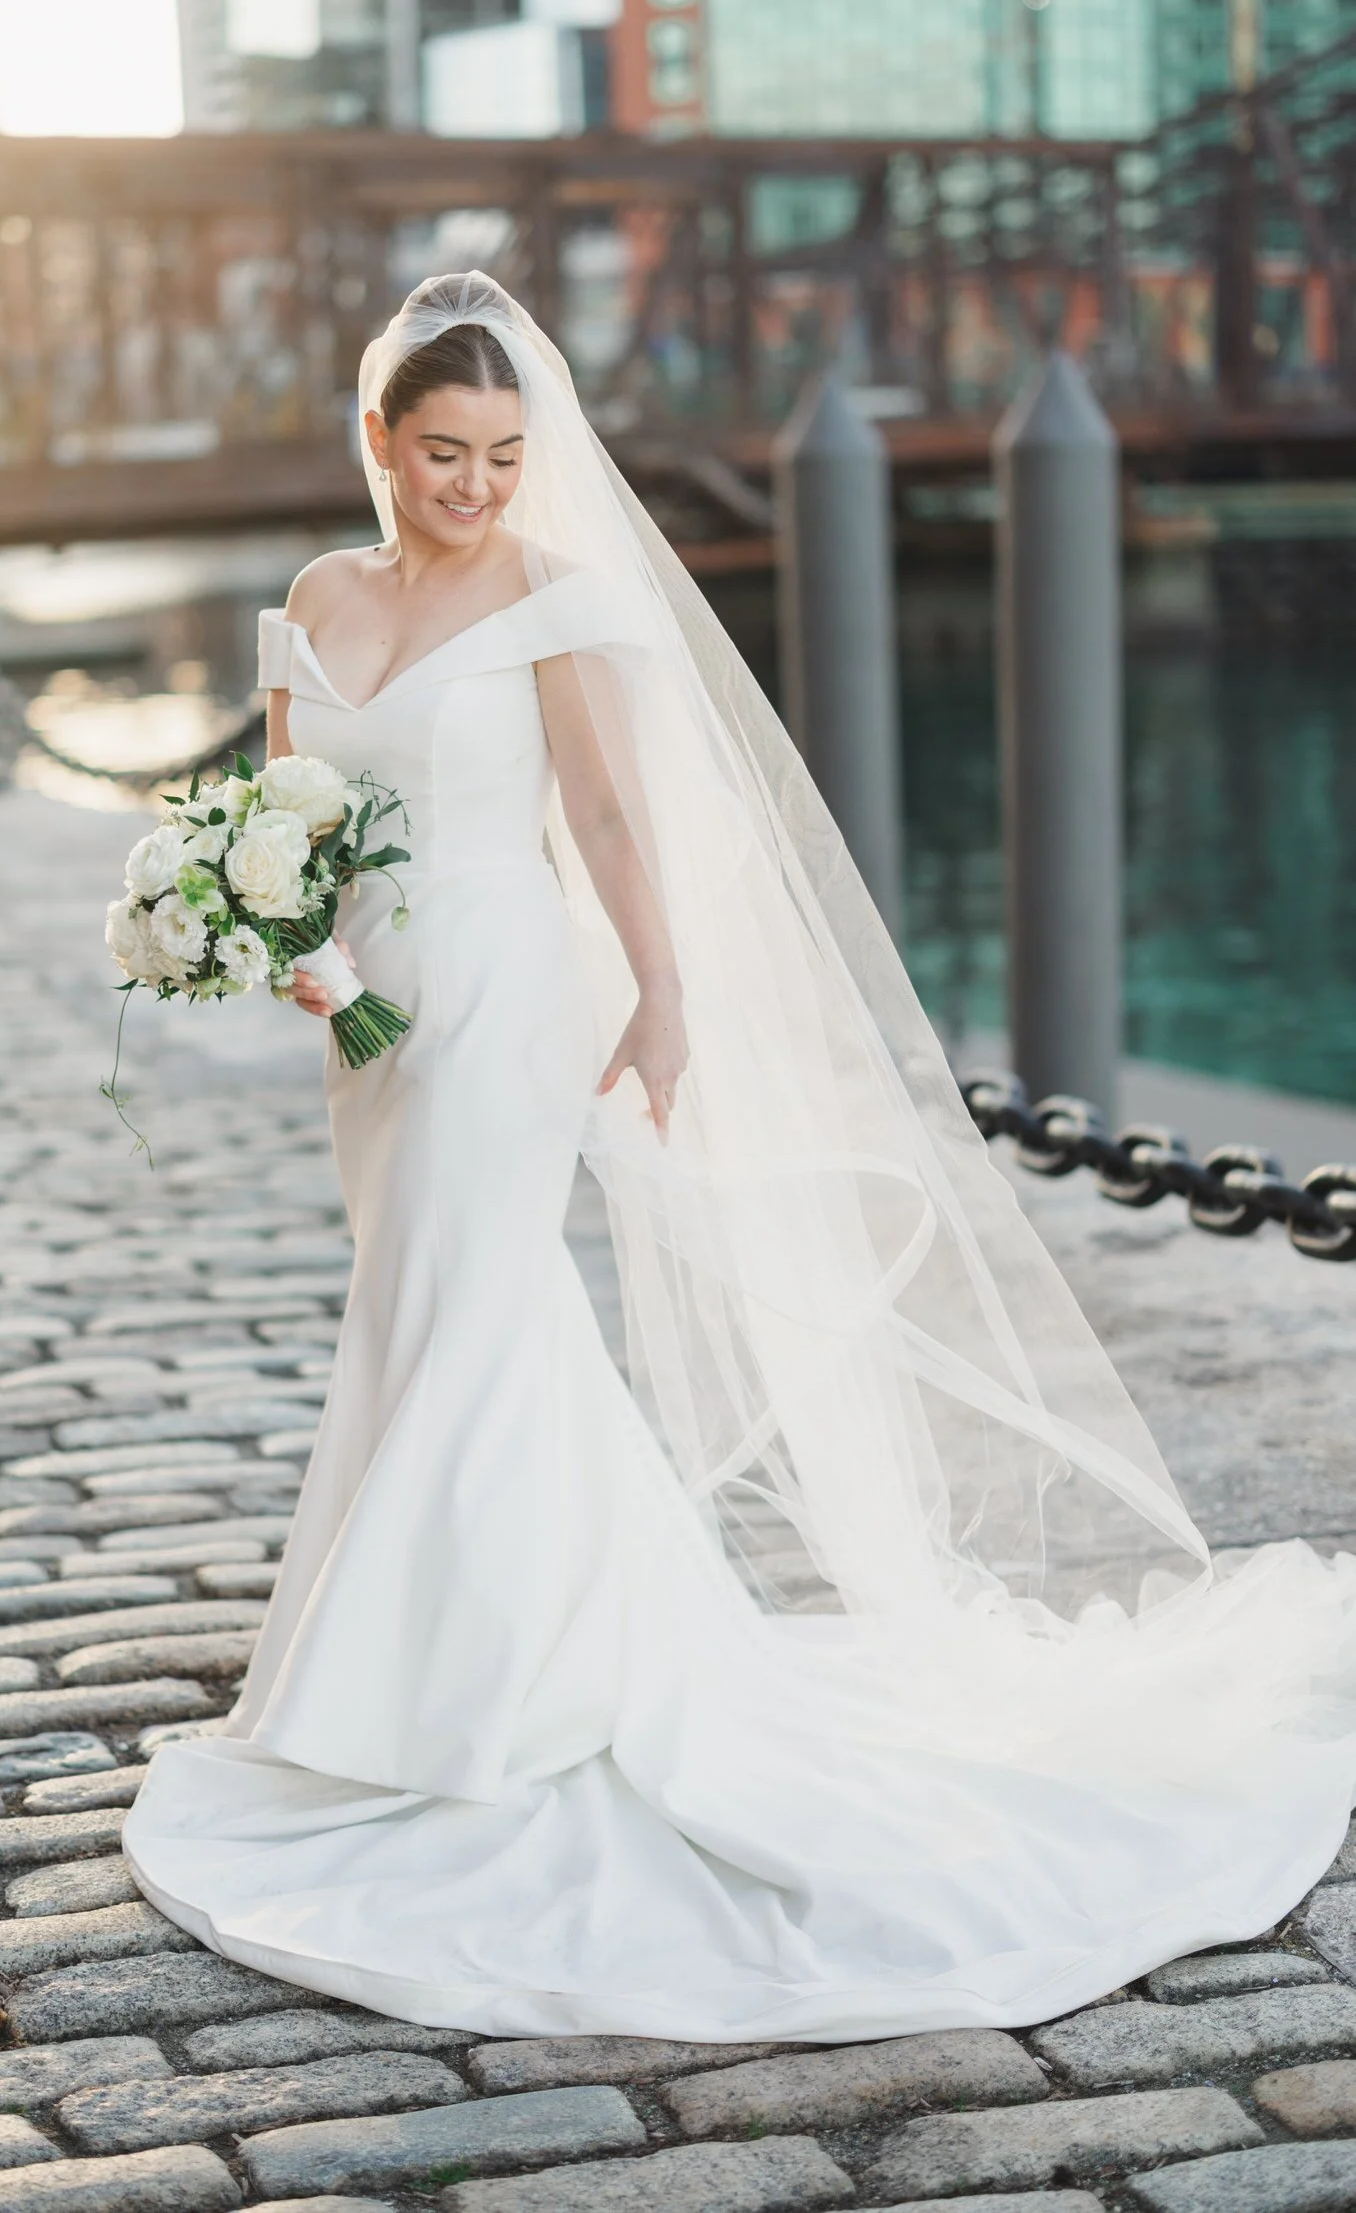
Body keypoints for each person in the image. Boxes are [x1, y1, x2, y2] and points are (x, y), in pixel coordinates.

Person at [123, 272, 1356, 2041]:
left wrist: (670, 996)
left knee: (482, 1310)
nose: (477, 483)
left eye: (504, 453)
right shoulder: (316, 597)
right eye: (445, 452)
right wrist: (282, 937)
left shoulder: (549, 595)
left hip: (500, 990)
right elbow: (276, 802)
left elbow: (612, 812)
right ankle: (434, 1670)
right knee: (418, 1315)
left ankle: (455, 1709)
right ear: (379, 441)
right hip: (367, 1016)